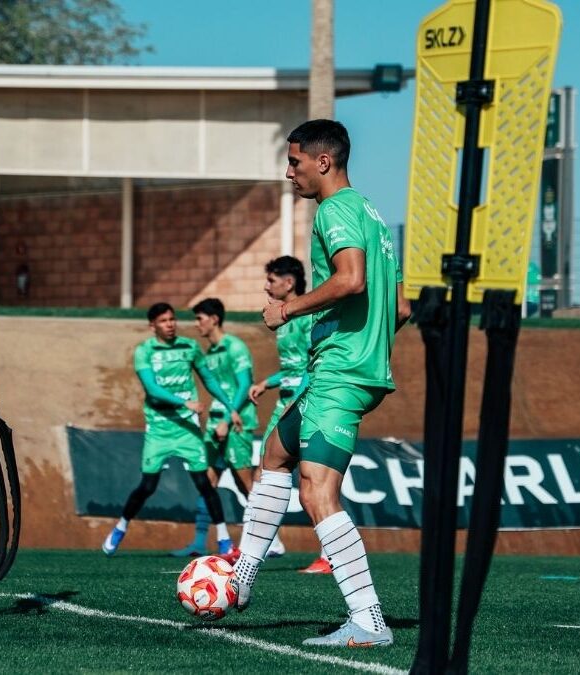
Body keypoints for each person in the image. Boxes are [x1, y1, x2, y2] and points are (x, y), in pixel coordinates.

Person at [230, 119, 411, 648]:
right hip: (342, 368)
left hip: (341, 373)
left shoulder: (336, 210)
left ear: (323, 162)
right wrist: (366, 346)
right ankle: (240, 581)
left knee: (318, 491)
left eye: (294, 162)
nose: (289, 173)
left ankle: (369, 622)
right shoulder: (374, 215)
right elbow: (398, 307)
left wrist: (287, 310)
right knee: (274, 457)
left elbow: (351, 280)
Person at [102, 302, 243, 557]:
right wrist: (184, 402)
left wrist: (230, 406)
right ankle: (120, 527)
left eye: (172, 319)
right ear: (152, 325)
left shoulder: (190, 347)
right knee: (148, 486)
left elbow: (208, 379)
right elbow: (152, 389)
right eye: (164, 321)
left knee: (204, 483)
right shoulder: (144, 351)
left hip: (187, 429)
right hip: (159, 428)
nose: (170, 324)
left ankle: (223, 539)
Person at [172, 298, 285, 561]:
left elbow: (245, 383)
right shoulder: (209, 353)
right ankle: (199, 542)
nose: (196, 323)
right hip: (216, 424)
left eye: (200, 318)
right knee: (207, 481)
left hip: (237, 424)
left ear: (214, 318)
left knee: (245, 483)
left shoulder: (235, 347)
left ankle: (274, 540)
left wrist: (227, 418)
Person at [247, 257, 324, 572]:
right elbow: (292, 367)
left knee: (315, 484)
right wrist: (268, 382)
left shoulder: (306, 316)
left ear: (289, 283)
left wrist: (301, 397)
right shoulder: (281, 320)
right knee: (262, 472)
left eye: (271, 280)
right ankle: (255, 551)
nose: (267, 286)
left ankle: (328, 555)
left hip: (307, 402)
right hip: (285, 403)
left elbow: (313, 364)